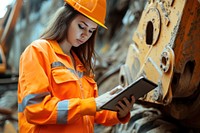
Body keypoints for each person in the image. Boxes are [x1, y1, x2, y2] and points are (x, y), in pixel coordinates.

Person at [17, 0, 135, 132]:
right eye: (81, 26)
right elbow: (35, 109)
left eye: (91, 31)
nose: (85, 35)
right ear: (66, 18)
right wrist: (92, 104)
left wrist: (119, 111)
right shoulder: (38, 51)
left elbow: (92, 112)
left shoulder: (80, 64)